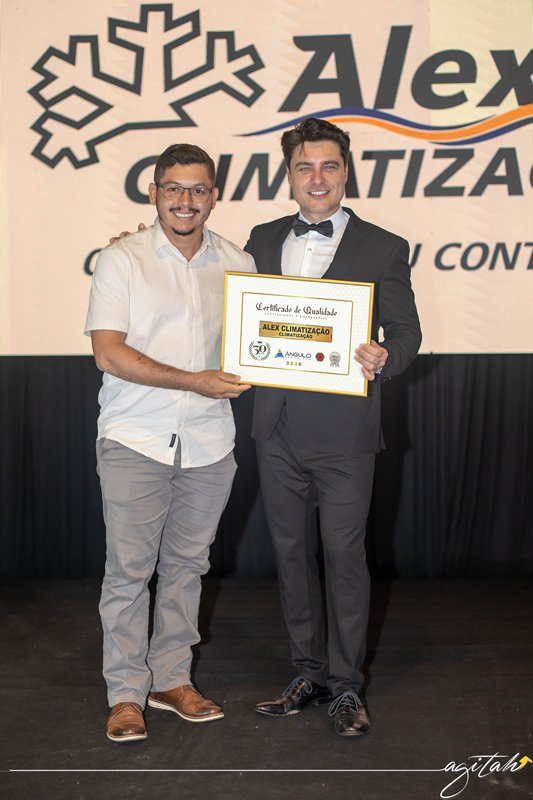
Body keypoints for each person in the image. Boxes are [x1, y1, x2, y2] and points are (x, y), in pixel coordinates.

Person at [245, 118, 422, 737]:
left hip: (346, 432)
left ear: (346, 172)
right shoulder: (262, 238)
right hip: (276, 427)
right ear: (288, 174)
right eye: (305, 167)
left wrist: (385, 356)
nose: (316, 178)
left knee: (345, 558)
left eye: (328, 166)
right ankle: (308, 672)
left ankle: (347, 685)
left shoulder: (383, 246)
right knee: (290, 555)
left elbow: (407, 333)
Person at [84, 143, 255, 742]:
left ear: (214, 196)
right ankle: (125, 693)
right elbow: (109, 353)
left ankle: (171, 679)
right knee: (129, 572)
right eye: (174, 188)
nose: (186, 200)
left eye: (198, 189)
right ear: (154, 192)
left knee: (187, 569)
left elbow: (265, 342)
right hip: (136, 438)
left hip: (209, 443)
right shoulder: (121, 259)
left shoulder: (239, 263)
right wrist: (193, 381)